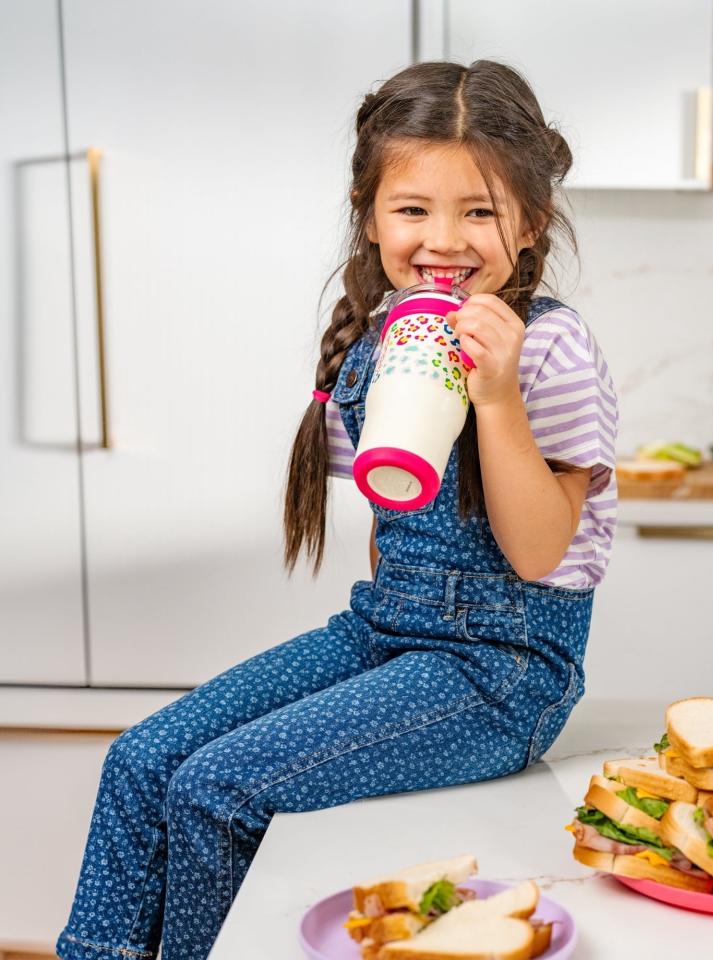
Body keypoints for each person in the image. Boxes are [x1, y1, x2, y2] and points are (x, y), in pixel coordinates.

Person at [56, 59, 618, 960]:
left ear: (533, 220)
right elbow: (394, 530)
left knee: (218, 788)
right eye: (413, 209)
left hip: (500, 672)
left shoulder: (546, 350)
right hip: (387, 635)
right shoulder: (385, 338)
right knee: (141, 760)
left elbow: (538, 554)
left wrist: (499, 399)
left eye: (480, 210)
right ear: (369, 213)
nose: (446, 238)